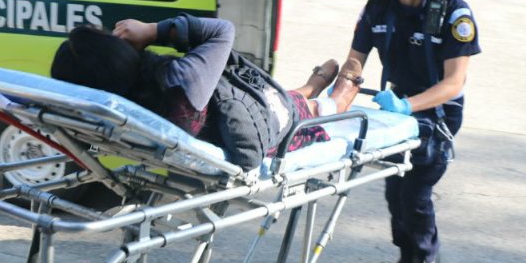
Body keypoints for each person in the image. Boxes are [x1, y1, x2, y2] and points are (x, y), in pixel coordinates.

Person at [341, 0, 480, 263]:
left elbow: (454, 83)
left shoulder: (454, 13)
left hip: (436, 112)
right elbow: (355, 59)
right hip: (392, 110)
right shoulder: (378, 6)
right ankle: (406, 256)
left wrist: (407, 107)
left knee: (414, 191)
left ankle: (425, 254)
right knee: (393, 191)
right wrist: (344, 91)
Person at [50, 14, 364, 164]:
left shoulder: (108, 111)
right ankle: (336, 97)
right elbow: (223, 30)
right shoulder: (178, 83)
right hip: (270, 122)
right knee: (300, 108)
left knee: (281, 94)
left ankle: (311, 85)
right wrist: (152, 31)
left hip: (231, 106)